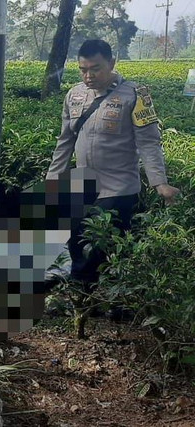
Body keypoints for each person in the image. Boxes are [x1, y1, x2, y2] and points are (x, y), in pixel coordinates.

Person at [46, 39, 180, 285]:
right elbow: (65, 140)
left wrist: (159, 183)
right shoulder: (74, 95)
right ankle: (84, 300)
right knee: (76, 240)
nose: (89, 76)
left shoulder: (136, 95)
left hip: (118, 187)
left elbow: (149, 142)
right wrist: (53, 178)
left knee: (101, 245)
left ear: (112, 63)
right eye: (83, 70)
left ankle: (104, 299)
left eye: (95, 68)